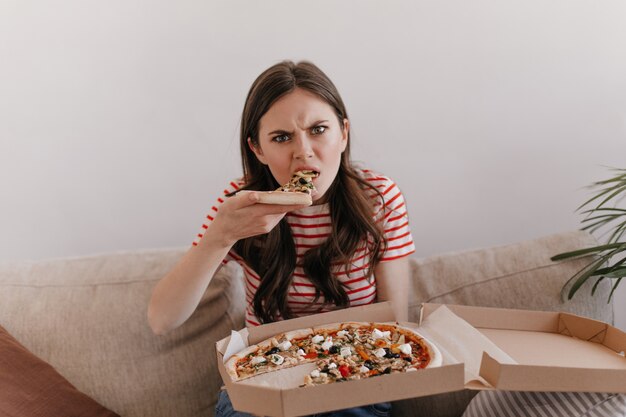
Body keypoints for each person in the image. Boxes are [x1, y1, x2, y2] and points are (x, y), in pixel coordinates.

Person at [147, 60, 416, 417]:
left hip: (355, 380)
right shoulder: (241, 204)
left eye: (318, 129)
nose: (303, 151)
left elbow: (395, 321)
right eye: (282, 137)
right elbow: (162, 319)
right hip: (265, 380)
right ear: (257, 149)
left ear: (344, 133)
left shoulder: (379, 199)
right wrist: (219, 237)